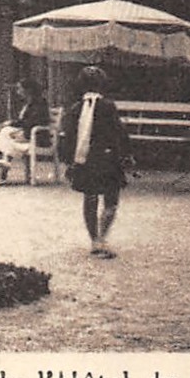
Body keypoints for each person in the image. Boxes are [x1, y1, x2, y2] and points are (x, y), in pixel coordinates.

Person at [58, 65, 132, 258]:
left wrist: (69, 161)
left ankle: (94, 239)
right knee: (111, 201)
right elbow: (118, 133)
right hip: (108, 159)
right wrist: (126, 154)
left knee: (90, 199)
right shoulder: (108, 106)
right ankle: (102, 236)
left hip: (86, 159)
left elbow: (69, 137)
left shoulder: (75, 108)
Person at [0, 77, 51, 184]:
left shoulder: (40, 103)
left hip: (37, 136)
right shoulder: (27, 103)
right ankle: (2, 169)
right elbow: (23, 121)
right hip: (26, 134)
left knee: (6, 133)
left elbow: (34, 122)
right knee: (6, 132)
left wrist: (16, 128)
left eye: (20, 88)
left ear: (28, 90)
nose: (18, 91)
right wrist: (11, 124)